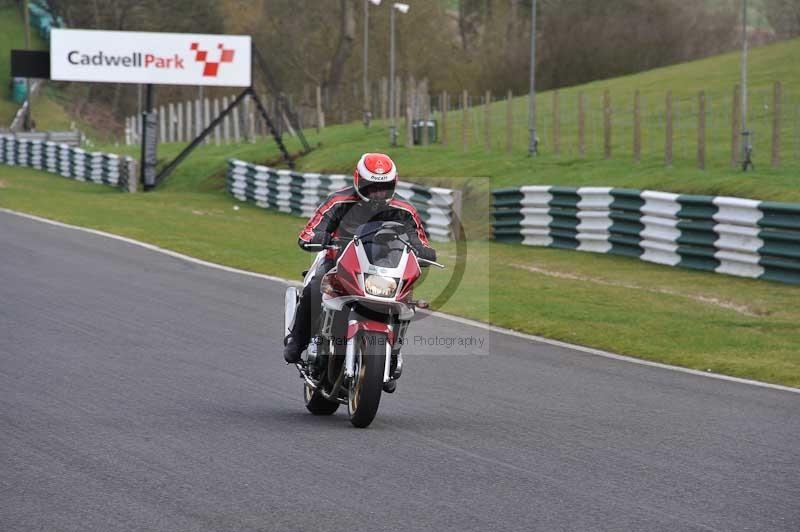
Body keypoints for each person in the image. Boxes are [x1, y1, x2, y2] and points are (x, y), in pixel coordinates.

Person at [284, 153, 437, 363]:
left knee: (405, 300)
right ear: (359, 181)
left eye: (384, 187)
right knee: (315, 287)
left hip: (383, 265)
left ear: (394, 184)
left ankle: (393, 354)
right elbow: (310, 231)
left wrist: (424, 250)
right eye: (372, 187)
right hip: (337, 261)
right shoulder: (338, 201)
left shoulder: (405, 210)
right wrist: (319, 237)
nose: (378, 193)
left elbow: (419, 239)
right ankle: (297, 341)